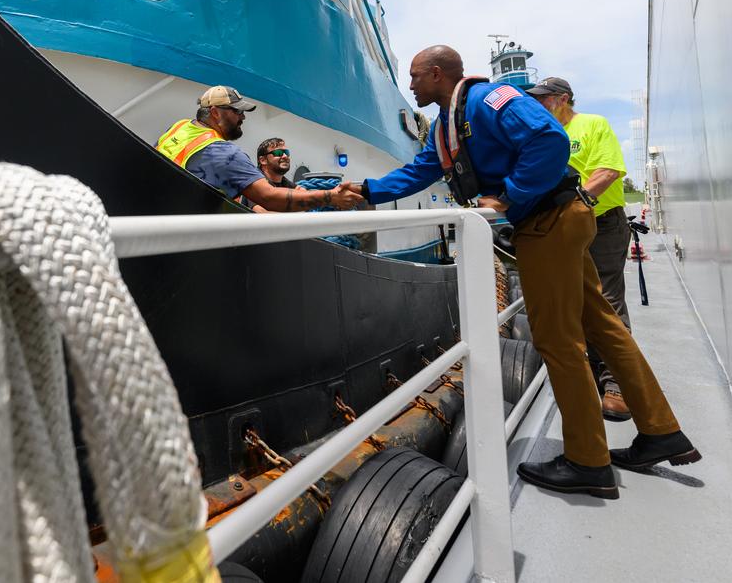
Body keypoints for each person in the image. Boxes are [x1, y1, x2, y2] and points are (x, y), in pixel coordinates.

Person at [341, 45, 699, 499]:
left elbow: (548, 142)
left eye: (414, 76)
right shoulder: (447, 126)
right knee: (602, 326)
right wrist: (368, 190)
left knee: (558, 340)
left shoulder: (492, 99)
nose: (409, 85)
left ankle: (588, 461)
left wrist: (507, 197)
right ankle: (661, 431)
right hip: (554, 221)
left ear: (436, 74)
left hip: (549, 224)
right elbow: (422, 169)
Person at [527, 76, 633, 422]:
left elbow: (609, 171)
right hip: (563, 229)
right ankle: (588, 378)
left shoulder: (592, 125)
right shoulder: (543, 136)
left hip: (601, 224)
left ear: (564, 99)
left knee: (607, 301)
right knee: (571, 303)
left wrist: (580, 203)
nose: (538, 105)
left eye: (544, 99)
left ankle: (618, 385)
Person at [156, 86, 363, 212]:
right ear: (215, 113)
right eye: (237, 112)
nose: (243, 117)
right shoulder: (225, 154)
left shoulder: (179, 126)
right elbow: (269, 198)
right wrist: (330, 197)